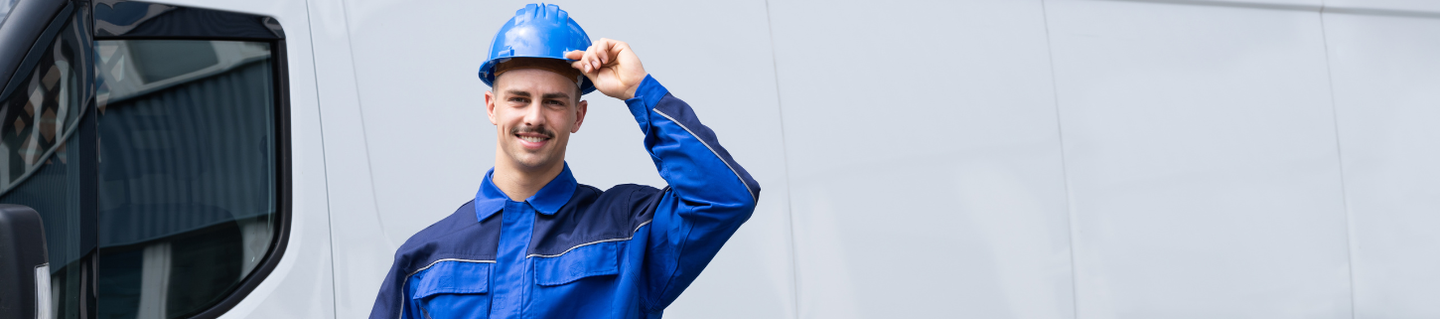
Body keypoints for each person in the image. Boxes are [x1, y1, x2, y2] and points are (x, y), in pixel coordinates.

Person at [368, 3, 760, 319]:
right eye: (519, 98)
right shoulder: (424, 261)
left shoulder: (628, 229)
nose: (534, 117)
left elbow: (724, 197)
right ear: (492, 107)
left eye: (554, 102)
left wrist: (638, 90)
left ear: (578, 116)